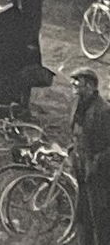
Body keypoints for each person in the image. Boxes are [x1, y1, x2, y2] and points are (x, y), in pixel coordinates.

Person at [72, 69, 110, 245]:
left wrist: (95, 164)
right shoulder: (80, 104)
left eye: (77, 81)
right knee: (83, 217)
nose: (74, 85)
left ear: (89, 85)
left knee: (100, 218)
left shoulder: (102, 111)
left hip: (99, 174)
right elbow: (77, 131)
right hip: (82, 169)